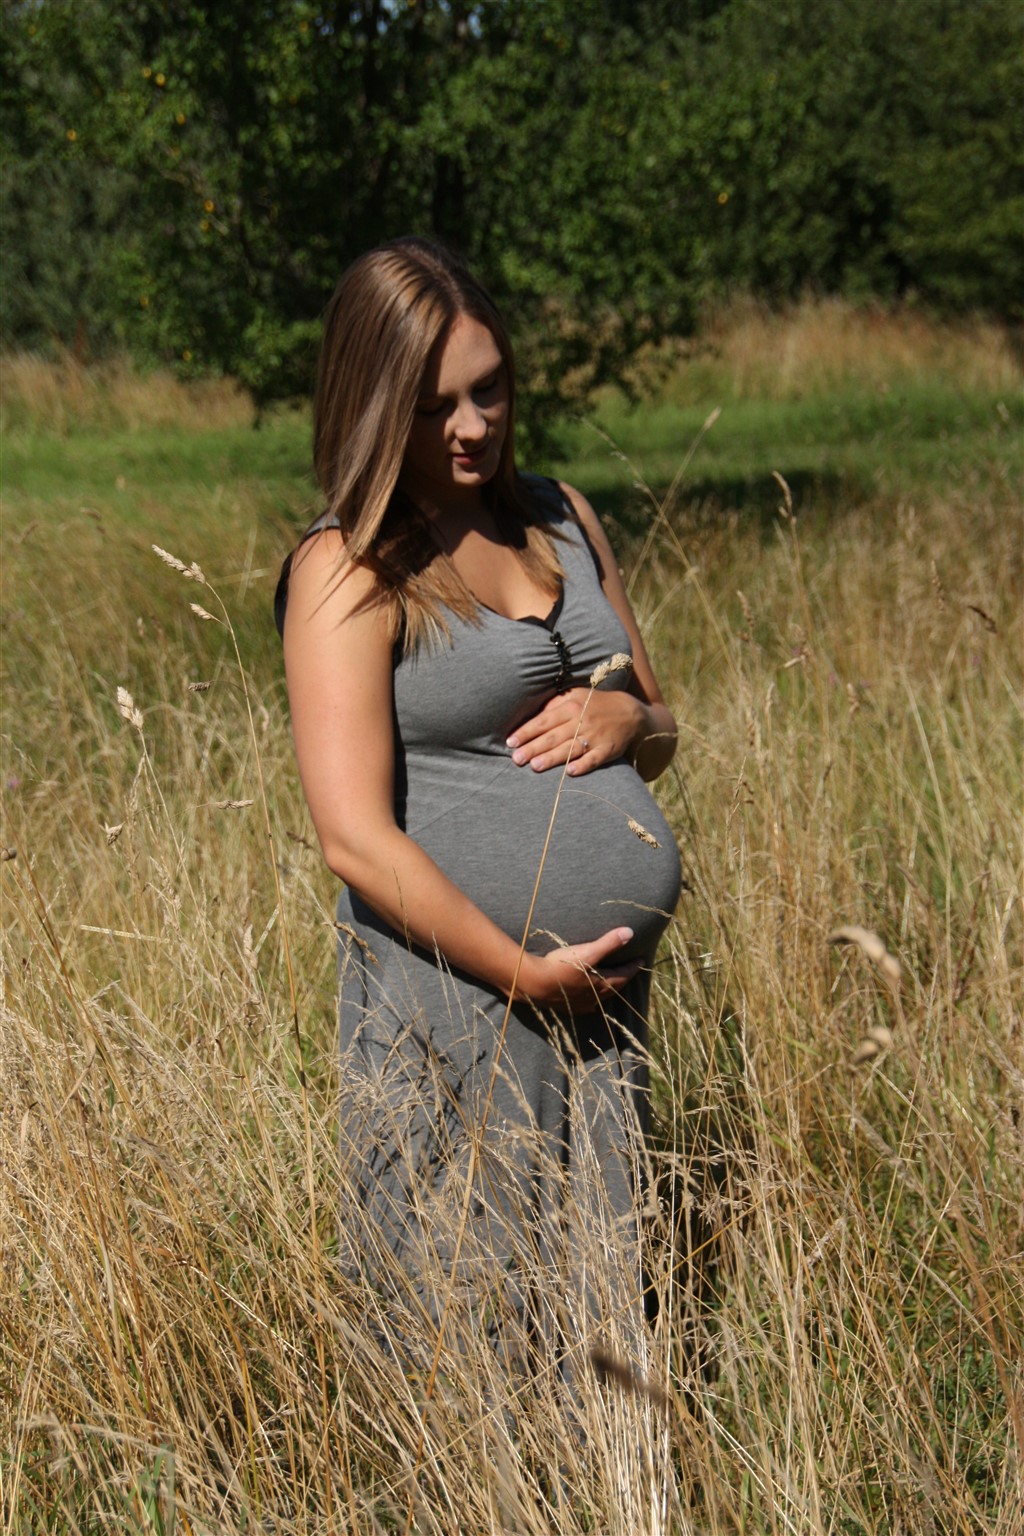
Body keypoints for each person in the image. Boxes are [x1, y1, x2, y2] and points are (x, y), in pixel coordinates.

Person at [276, 237, 681, 1369]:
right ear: (372, 407)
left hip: (599, 1014)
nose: (472, 426)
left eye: (488, 388)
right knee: (470, 1320)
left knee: (599, 1312)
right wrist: (520, 972)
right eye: (433, 405)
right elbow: (353, 837)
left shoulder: (562, 516)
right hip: (458, 1000)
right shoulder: (351, 566)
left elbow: (661, 725)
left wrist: (628, 722)